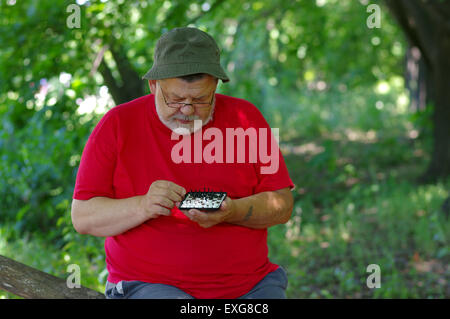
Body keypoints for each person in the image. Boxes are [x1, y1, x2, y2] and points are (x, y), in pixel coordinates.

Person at [71, 27, 294, 299]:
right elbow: (82, 217)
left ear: (215, 85)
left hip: (250, 286)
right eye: (175, 99)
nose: (187, 110)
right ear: (154, 85)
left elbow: (281, 206)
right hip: (148, 286)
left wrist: (232, 210)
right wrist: (143, 206)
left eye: (201, 99)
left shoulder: (245, 118)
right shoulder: (117, 125)